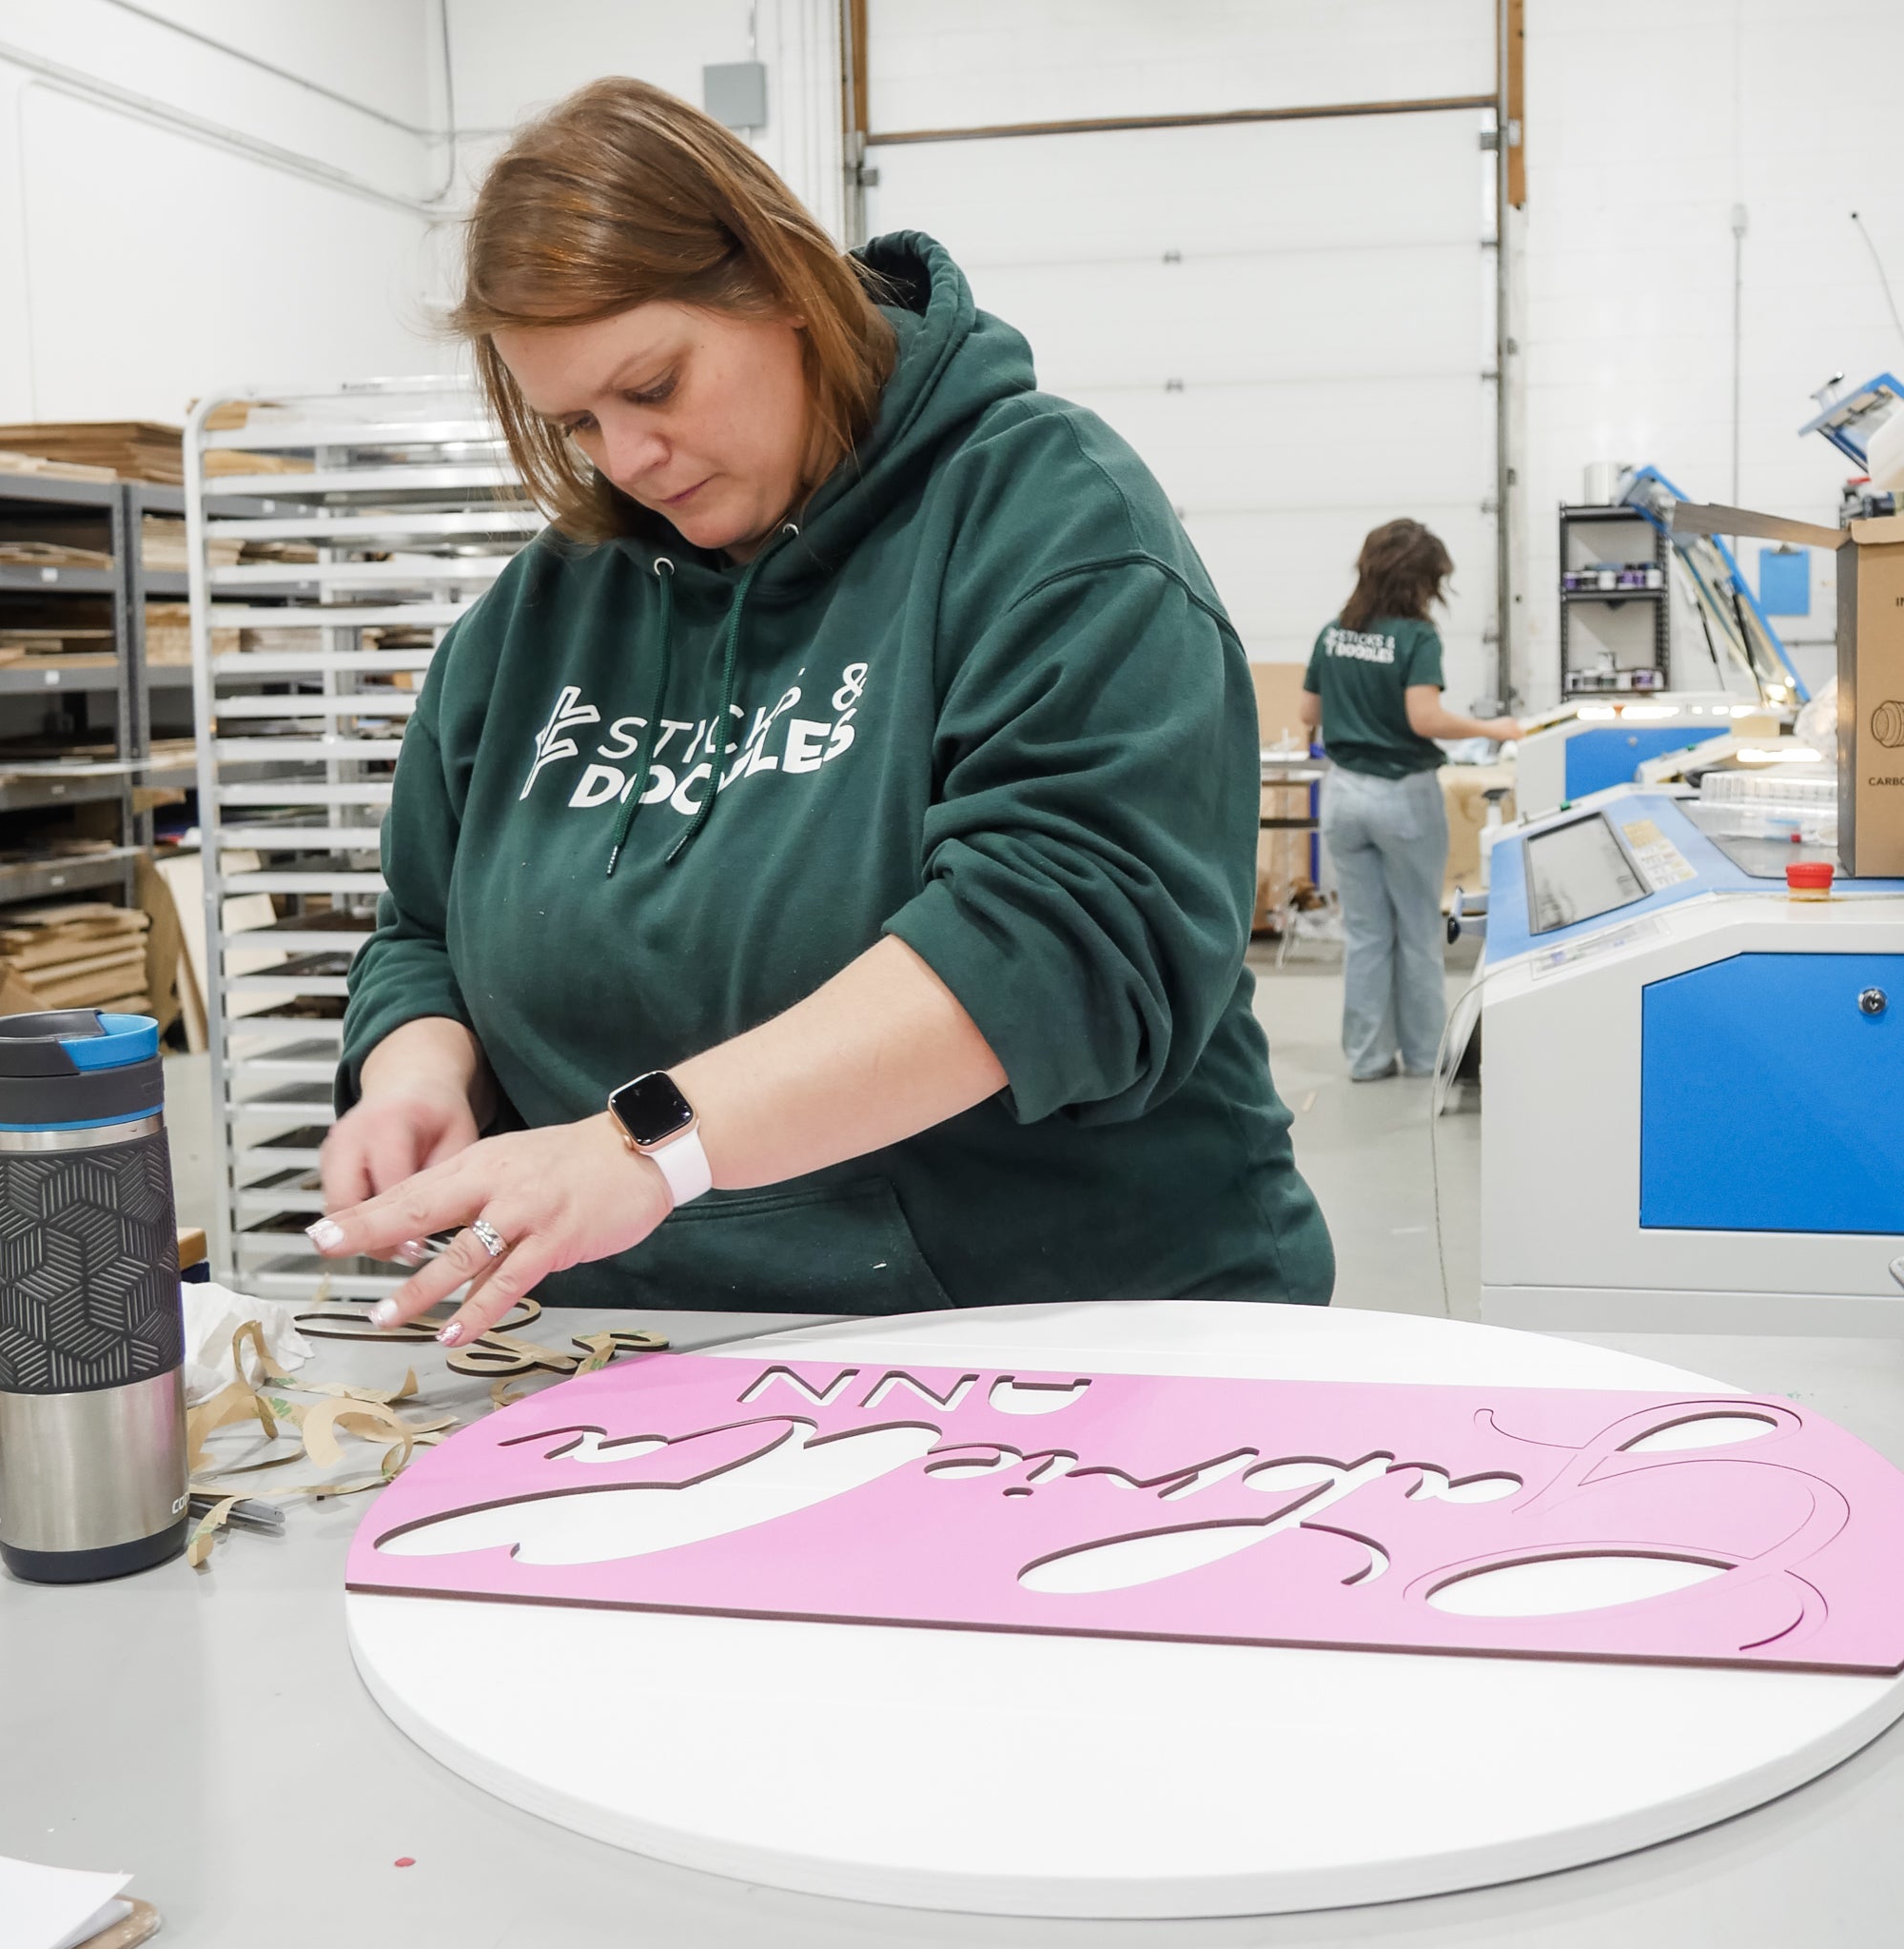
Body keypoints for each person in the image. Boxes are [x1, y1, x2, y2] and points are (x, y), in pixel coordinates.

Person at [309, 76, 1333, 1337]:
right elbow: (422, 925)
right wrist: (417, 1069)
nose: (624, 460)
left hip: (1060, 1343)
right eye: (576, 421)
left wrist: (647, 1147)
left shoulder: (1050, 525)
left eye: (656, 386)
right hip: (653, 1361)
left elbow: (1060, 943)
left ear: (785, 287)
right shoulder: (536, 622)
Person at [1301, 521, 1519, 1083]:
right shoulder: (1417, 637)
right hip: (1403, 797)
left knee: (1368, 934)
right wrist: (1494, 728)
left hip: (1344, 794)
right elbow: (1425, 718)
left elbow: (1309, 714)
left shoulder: (1332, 633)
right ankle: (1425, 1058)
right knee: (1419, 930)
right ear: (1421, 579)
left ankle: (1369, 1059)